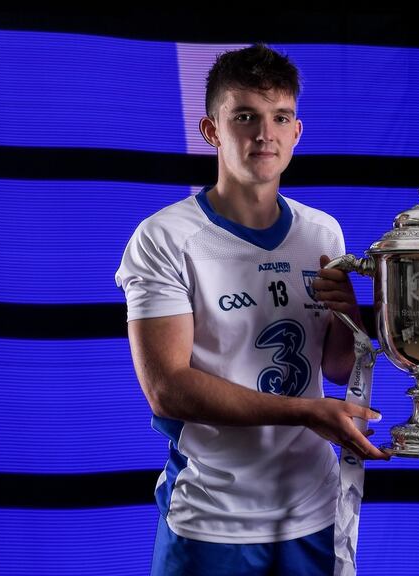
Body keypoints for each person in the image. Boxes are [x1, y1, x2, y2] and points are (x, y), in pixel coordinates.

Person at [115, 43, 387, 576]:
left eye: (279, 117)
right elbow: (167, 387)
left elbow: (332, 365)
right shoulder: (165, 237)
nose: (264, 133)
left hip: (313, 508)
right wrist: (306, 412)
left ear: (296, 132)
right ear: (212, 130)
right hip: (213, 517)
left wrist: (349, 314)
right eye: (245, 116)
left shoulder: (321, 231)